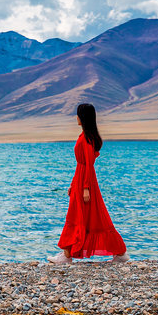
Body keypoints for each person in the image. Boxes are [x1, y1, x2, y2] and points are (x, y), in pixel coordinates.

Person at [50, 102, 128, 264]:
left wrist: (85, 188)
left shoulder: (86, 139)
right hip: (81, 180)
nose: (76, 117)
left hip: (85, 182)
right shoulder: (84, 136)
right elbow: (81, 165)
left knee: (80, 216)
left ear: (83, 117)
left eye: (78, 114)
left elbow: (88, 164)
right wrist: (74, 183)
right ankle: (68, 254)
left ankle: (67, 256)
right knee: (89, 217)